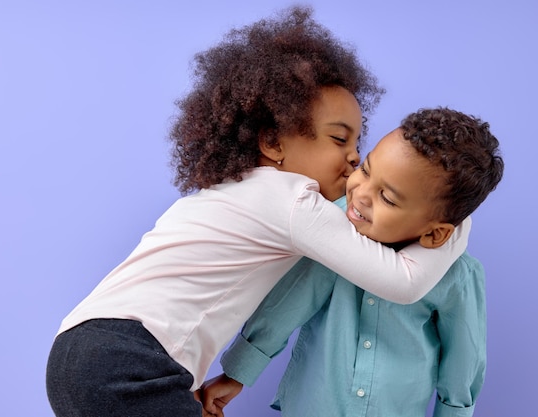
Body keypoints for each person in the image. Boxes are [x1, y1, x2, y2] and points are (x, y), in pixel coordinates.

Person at [45, 7, 471, 417]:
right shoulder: (291, 200)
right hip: (129, 361)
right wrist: (459, 222)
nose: (353, 159)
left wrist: (184, 382)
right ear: (273, 142)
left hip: (82, 347)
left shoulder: (233, 190)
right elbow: (401, 281)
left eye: (358, 144)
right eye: (339, 140)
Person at [200, 107, 504, 417]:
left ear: (436, 234)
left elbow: (463, 360)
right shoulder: (330, 232)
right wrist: (236, 374)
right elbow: (287, 304)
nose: (360, 193)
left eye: (387, 198)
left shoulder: (458, 276)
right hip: (313, 406)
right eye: (366, 170)